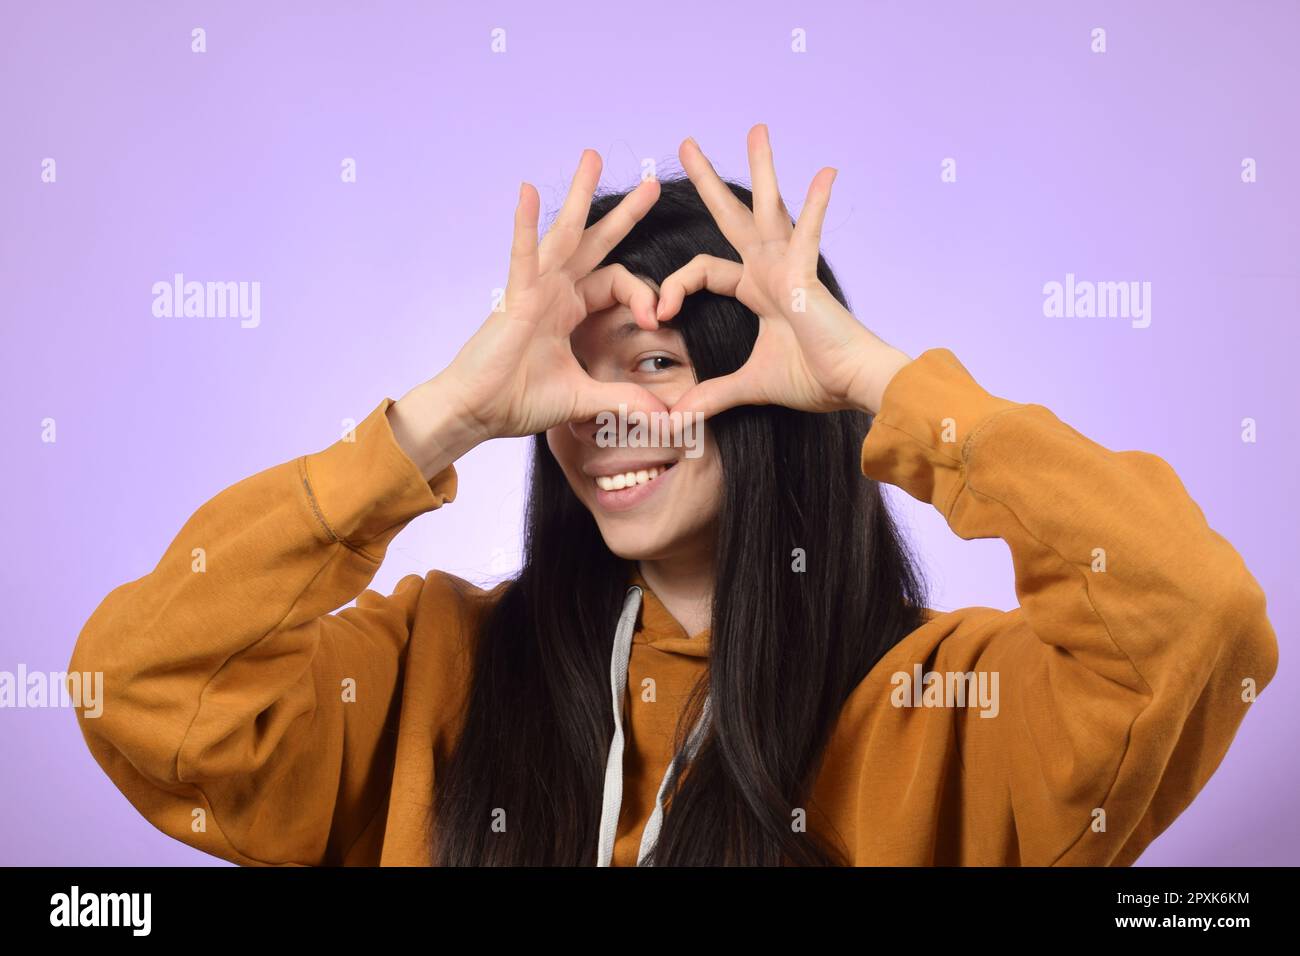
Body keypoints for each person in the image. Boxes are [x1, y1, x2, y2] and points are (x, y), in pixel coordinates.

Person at [68, 125, 1278, 866]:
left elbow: (1198, 621)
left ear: (771, 397)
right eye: (567, 380)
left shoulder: (946, 704)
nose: (602, 416)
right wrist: (434, 420)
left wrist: (886, 385)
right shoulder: (433, 662)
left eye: (654, 363)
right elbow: (136, 685)